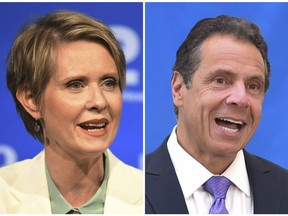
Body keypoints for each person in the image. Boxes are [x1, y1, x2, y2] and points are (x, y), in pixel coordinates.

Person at [0, 10, 143, 214]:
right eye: (75, 85)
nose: (99, 101)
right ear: (32, 100)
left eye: (109, 83)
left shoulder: (150, 195)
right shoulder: (4, 195)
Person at [145, 15, 288, 214]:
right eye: (220, 80)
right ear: (178, 88)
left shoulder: (284, 189)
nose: (241, 98)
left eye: (253, 86)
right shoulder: (130, 185)